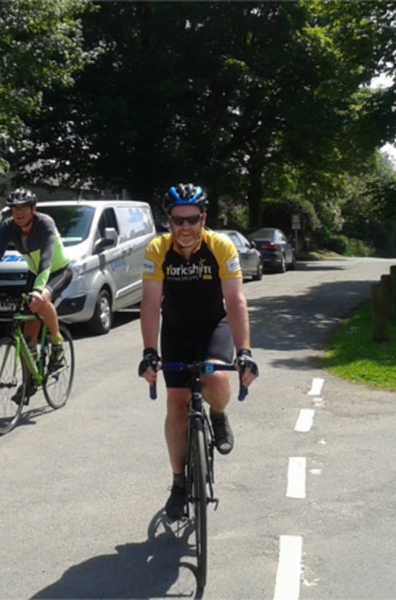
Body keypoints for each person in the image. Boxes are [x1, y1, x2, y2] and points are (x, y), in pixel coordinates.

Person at [138, 183, 259, 521]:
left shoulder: (220, 246)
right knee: (176, 408)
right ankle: (178, 484)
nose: (186, 227)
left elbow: (235, 301)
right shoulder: (157, 250)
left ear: (203, 218)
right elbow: (149, 305)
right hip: (176, 332)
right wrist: (149, 351)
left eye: (193, 219)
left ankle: (218, 416)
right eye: (178, 220)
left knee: (217, 379)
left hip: (212, 328)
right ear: (169, 221)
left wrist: (245, 351)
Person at [0, 188, 72, 396]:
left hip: (57, 271)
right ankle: (31, 378)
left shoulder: (45, 223)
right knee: (28, 332)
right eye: (14, 208)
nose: (18, 213)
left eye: (23, 208)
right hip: (34, 273)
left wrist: (39, 290)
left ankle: (57, 344)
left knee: (42, 300)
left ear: (33, 209)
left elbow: (46, 260)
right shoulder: (9, 227)